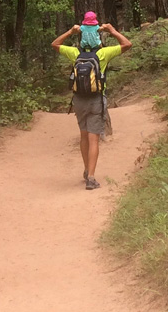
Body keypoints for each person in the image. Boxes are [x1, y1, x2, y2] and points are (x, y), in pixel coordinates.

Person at [51, 12, 132, 189]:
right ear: (97, 34)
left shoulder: (74, 53)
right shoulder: (103, 54)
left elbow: (55, 44)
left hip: (78, 100)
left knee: (83, 136)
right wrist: (112, 30)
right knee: (94, 139)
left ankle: (86, 170)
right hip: (96, 99)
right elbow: (127, 44)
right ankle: (91, 178)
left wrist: (70, 32)